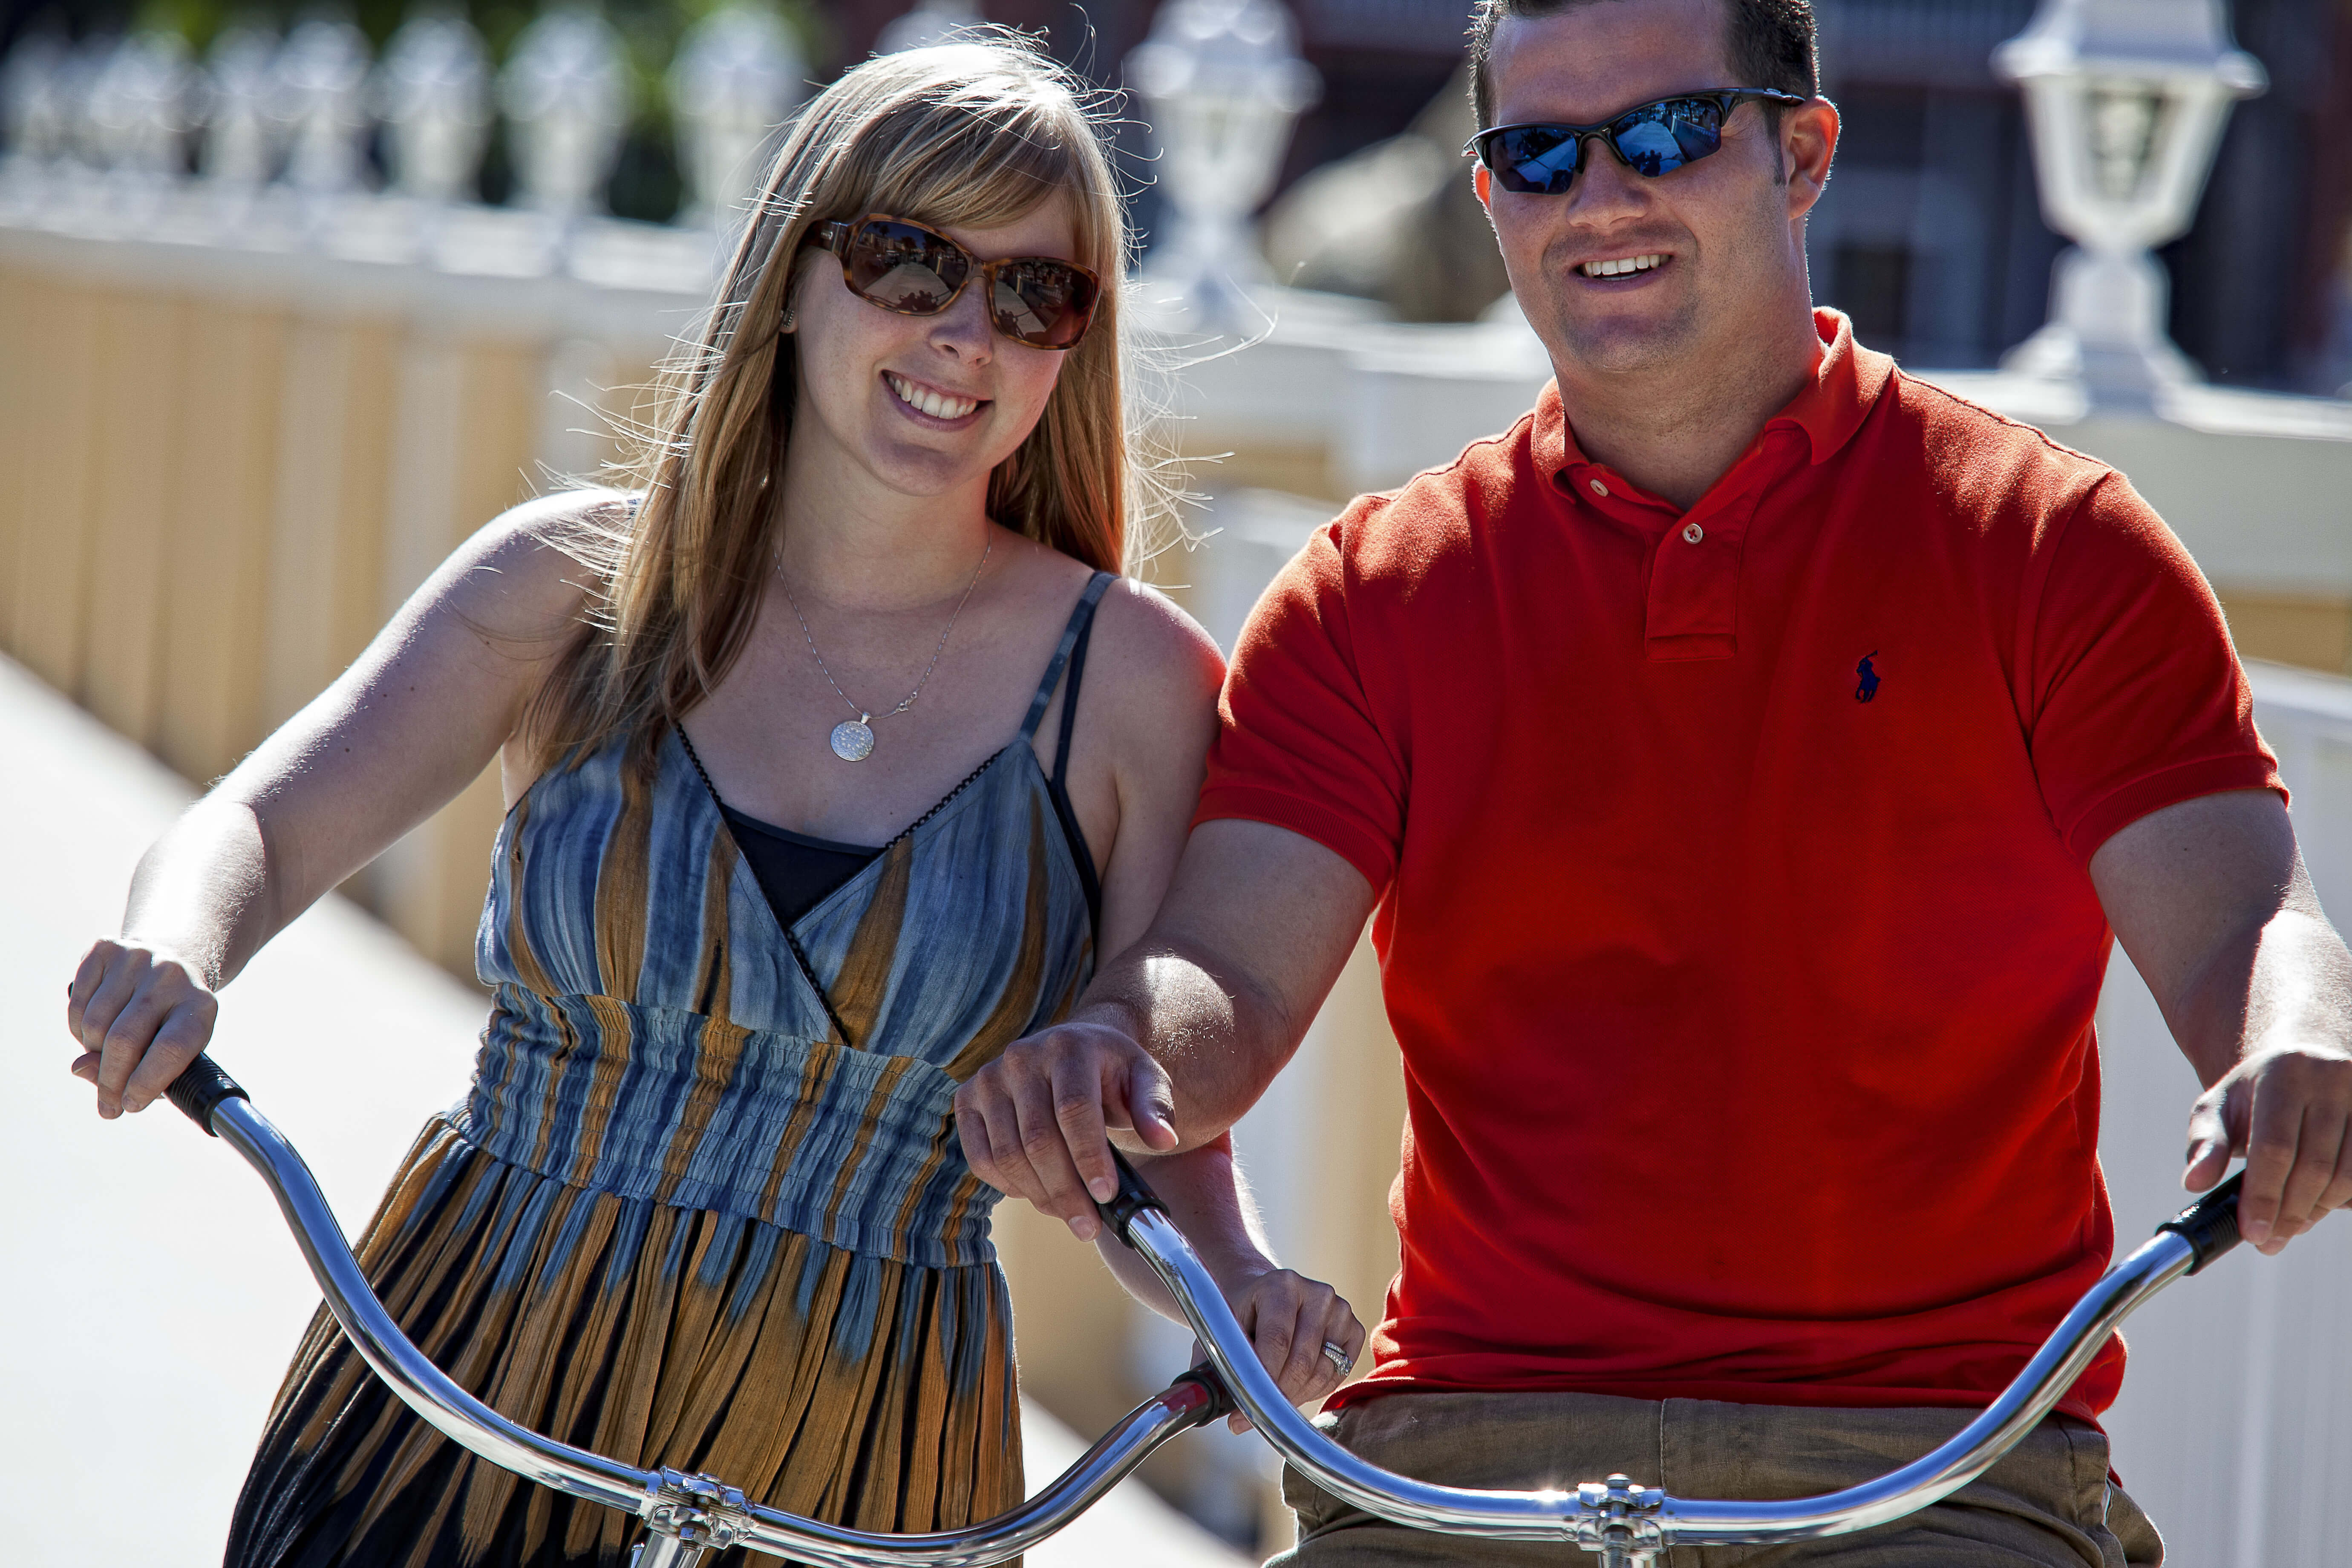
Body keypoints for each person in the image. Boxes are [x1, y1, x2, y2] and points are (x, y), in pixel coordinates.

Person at [951, 1, 2352, 1563]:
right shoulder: (1374, 590)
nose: (1600, 195)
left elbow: (2247, 922)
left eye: (1668, 134)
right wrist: (1106, 1047)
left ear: (1801, 152)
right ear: (1488, 201)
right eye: (1537, 153)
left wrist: (2298, 1034)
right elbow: (1222, 973)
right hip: (1474, 1453)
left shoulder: (2053, 546)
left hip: (1944, 1464)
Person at [64, 38, 1362, 1568]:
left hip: (866, 1456)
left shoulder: (1133, 684)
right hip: (461, 1379)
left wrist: (1244, 1289)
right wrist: (177, 950)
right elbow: (261, 829)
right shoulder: (571, 589)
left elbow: (1134, 1121)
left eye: (1034, 296)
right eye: (909, 261)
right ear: (795, 270)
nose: (965, 334)